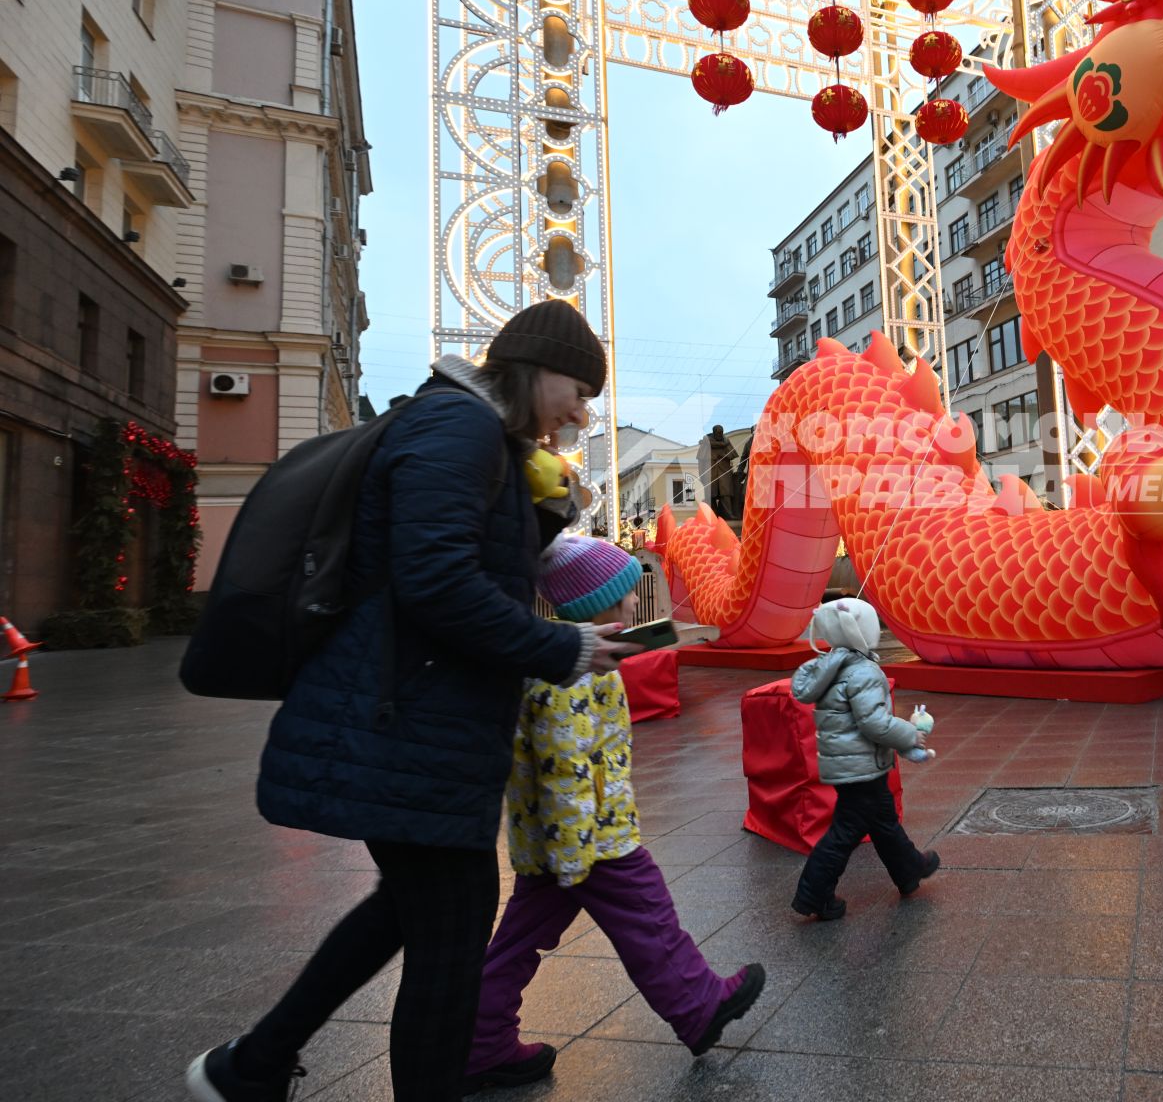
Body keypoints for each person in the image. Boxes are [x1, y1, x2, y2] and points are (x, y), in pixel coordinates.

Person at [188, 301, 642, 1102]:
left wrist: (543, 515)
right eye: (577, 389)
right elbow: (438, 583)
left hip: (416, 719)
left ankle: (252, 1065)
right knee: (451, 932)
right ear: (536, 369)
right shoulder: (457, 430)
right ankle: (259, 1066)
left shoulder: (482, 441)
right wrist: (559, 647)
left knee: (409, 910)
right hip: (402, 719)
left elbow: (456, 568)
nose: (582, 410)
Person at [464, 536, 766, 1094]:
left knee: (517, 939)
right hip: (591, 840)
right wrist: (579, 855)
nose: (634, 605)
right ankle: (698, 1006)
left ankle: (479, 1043)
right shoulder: (568, 675)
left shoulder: (569, 660)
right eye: (626, 595)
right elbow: (565, 768)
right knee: (647, 914)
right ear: (592, 605)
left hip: (554, 841)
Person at [789, 598, 939, 922]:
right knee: (846, 832)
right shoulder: (863, 671)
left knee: (883, 821)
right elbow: (873, 723)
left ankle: (909, 869)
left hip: (850, 765)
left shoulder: (833, 666)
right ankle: (814, 893)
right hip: (862, 766)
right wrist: (910, 734)